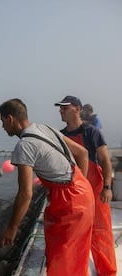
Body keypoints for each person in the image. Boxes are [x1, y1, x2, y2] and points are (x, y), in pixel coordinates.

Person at [0, 98, 94, 275]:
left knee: (61, 262)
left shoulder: (24, 146)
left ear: (10, 118)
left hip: (70, 202)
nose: (3, 126)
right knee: (76, 259)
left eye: (2, 121)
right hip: (84, 192)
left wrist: (12, 228)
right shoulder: (46, 128)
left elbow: (25, 194)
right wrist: (79, 185)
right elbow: (83, 152)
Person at [55, 95, 117, 276]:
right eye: (60, 108)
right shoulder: (61, 136)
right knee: (74, 235)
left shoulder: (92, 132)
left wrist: (107, 187)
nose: (61, 110)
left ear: (77, 109)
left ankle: (108, 272)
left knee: (101, 233)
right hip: (73, 191)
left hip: (96, 189)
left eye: (65, 107)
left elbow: (105, 161)